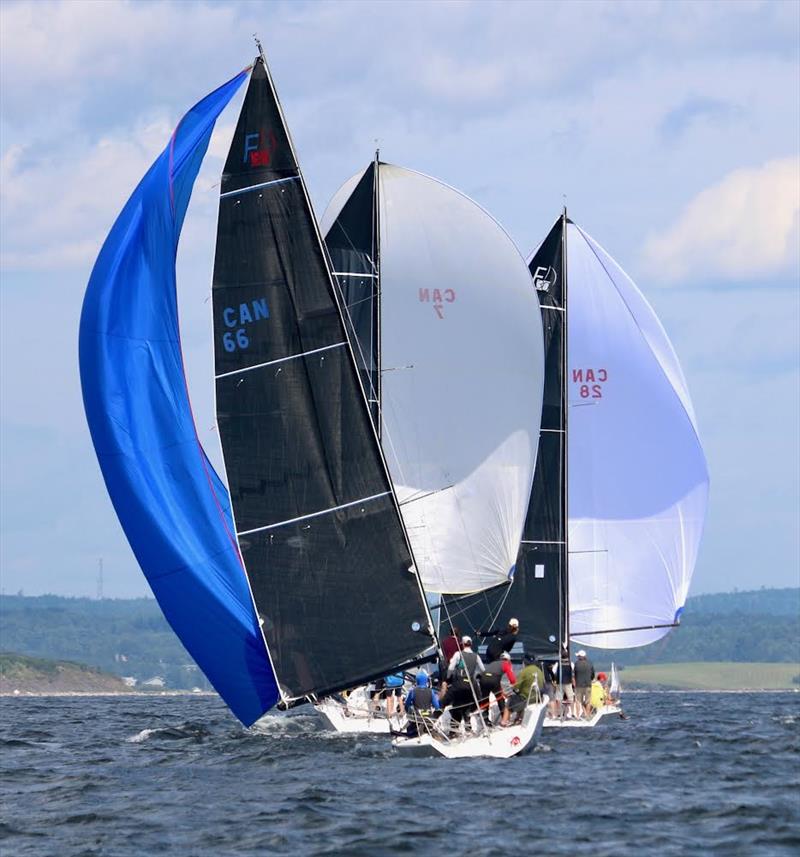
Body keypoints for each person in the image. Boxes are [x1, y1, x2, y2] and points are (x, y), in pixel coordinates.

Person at [440, 636, 485, 730]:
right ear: (471, 644)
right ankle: (468, 729)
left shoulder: (458, 654)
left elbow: (451, 668)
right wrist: (478, 676)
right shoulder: (476, 656)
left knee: (451, 705)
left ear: (462, 644)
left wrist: (448, 678)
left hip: (459, 684)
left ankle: (453, 731)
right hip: (470, 685)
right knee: (466, 706)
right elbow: (483, 670)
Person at [477, 651, 517, 726]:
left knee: (485, 699)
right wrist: (515, 687)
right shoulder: (506, 663)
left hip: (483, 678)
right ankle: (504, 719)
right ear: (508, 659)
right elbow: (512, 679)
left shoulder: (494, 663)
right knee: (500, 698)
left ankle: (485, 720)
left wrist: (501, 691)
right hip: (494, 679)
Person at [506, 656, 546, 724]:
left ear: (524, 663)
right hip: (537, 698)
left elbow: (516, 686)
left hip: (526, 699)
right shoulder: (539, 670)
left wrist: (513, 688)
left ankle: (504, 722)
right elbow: (543, 683)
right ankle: (518, 718)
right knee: (519, 697)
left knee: (510, 701)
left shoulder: (524, 671)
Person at [403, 671, 441, 737]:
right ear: (426, 681)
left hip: (417, 719)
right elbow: (437, 706)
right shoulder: (431, 691)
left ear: (417, 681)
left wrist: (407, 711)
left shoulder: (413, 691)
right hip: (429, 718)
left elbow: (407, 704)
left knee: (409, 728)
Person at [439, 625, 462, 694]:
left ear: (450, 633)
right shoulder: (459, 643)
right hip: (455, 668)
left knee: (444, 684)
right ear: (458, 633)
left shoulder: (443, 642)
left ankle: (442, 700)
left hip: (445, 666)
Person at [573, 650, 595, 718]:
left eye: (578, 656)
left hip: (579, 685)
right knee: (588, 701)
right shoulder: (590, 663)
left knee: (578, 701)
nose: (577, 657)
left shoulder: (576, 664)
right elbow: (593, 675)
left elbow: (575, 674)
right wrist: (589, 679)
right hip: (588, 685)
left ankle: (577, 716)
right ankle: (587, 716)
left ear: (580, 656)